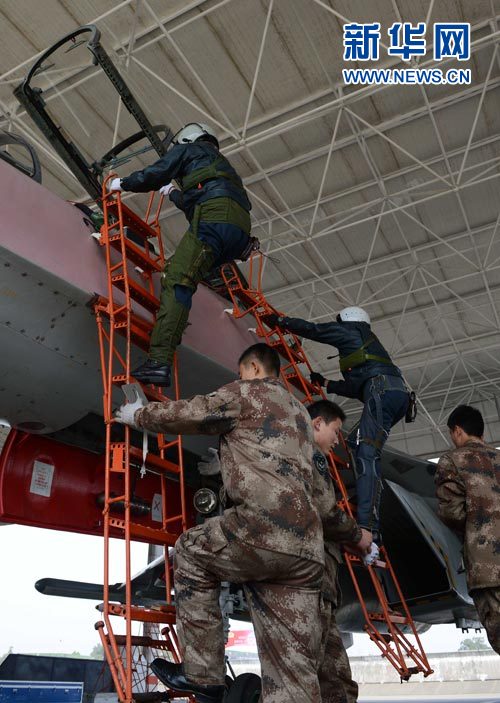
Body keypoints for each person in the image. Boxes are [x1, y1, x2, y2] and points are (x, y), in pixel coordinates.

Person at [116, 343, 325, 702]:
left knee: (191, 550)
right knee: (291, 670)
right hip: (306, 551)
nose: (239, 378)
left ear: (255, 369)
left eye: (242, 372)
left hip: (262, 530)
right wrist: (228, 464)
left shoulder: (247, 392)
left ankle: (203, 673)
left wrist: (141, 415)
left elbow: (195, 413)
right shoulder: (300, 414)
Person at [109, 122, 255, 387]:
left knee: (176, 279)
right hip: (239, 233)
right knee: (186, 270)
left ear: (186, 141)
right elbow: (195, 202)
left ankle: (159, 361)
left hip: (214, 221)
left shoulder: (190, 150)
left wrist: (123, 183)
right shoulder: (223, 168)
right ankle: (179, 319)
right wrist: (172, 193)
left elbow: (157, 172)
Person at [269, 306, 409, 542]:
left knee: (366, 452)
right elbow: (357, 388)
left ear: (348, 319)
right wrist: (326, 383)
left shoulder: (352, 331)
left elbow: (316, 331)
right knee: (356, 445)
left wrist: (283, 321)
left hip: (382, 391)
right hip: (394, 395)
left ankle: (368, 524)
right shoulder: (367, 345)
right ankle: (361, 499)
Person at [308, 399, 371, 703]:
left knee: (334, 676)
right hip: (310, 583)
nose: (337, 440)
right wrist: (359, 537)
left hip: (321, 586)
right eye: (335, 431)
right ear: (317, 423)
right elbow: (325, 511)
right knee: (326, 674)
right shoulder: (308, 456)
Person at [435, 405, 500, 655]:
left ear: (458, 431)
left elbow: (451, 512)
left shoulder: (453, 460)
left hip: (487, 570)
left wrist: (477, 528)